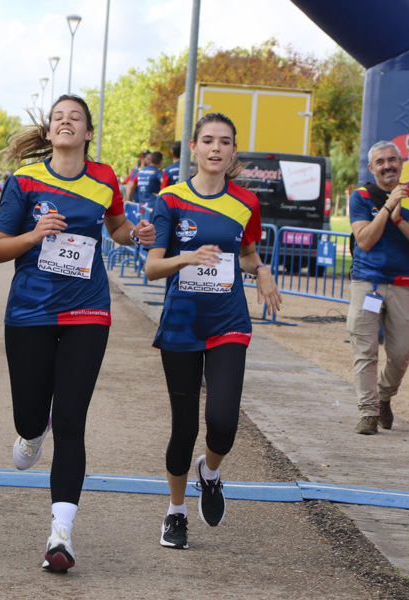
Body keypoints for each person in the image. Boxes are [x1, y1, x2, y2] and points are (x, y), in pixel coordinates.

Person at [0, 94, 154, 573]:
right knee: (31, 417)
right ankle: (29, 430)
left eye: (75, 118)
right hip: (30, 312)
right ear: (49, 132)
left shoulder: (104, 179)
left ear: (87, 133)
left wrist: (135, 235)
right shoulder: (23, 181)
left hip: (87, 310)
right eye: (58, 117)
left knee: (71, 419)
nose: (66, 123)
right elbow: (0, 250)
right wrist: (36, 233)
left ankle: (60, 535)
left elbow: (117, 226)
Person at [145, 112, 282, 550]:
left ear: (233, 151)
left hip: (228, 323)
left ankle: (212, 471)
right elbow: (151, 267)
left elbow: (246, 252)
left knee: (222, 423)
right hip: (182, 325)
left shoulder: (245, 202)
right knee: (183, 428)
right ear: (194, 147)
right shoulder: (169, 200)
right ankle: (175, 512)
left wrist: (261, 270)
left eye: (225, 142)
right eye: (208, 140)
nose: (216, 148)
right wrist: (187, 258)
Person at [347, 141, 409, 435]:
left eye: (392, 160)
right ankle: (368, 413)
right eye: (380, 162)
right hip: (366, 283)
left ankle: (384, 397)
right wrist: (387, 207)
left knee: (402, 351)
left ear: (401, 162)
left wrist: (399, 220)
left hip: (402, 285)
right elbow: (365, 241)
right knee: (365, 350)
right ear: (372, 168)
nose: (388, 166)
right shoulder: (359, 197)